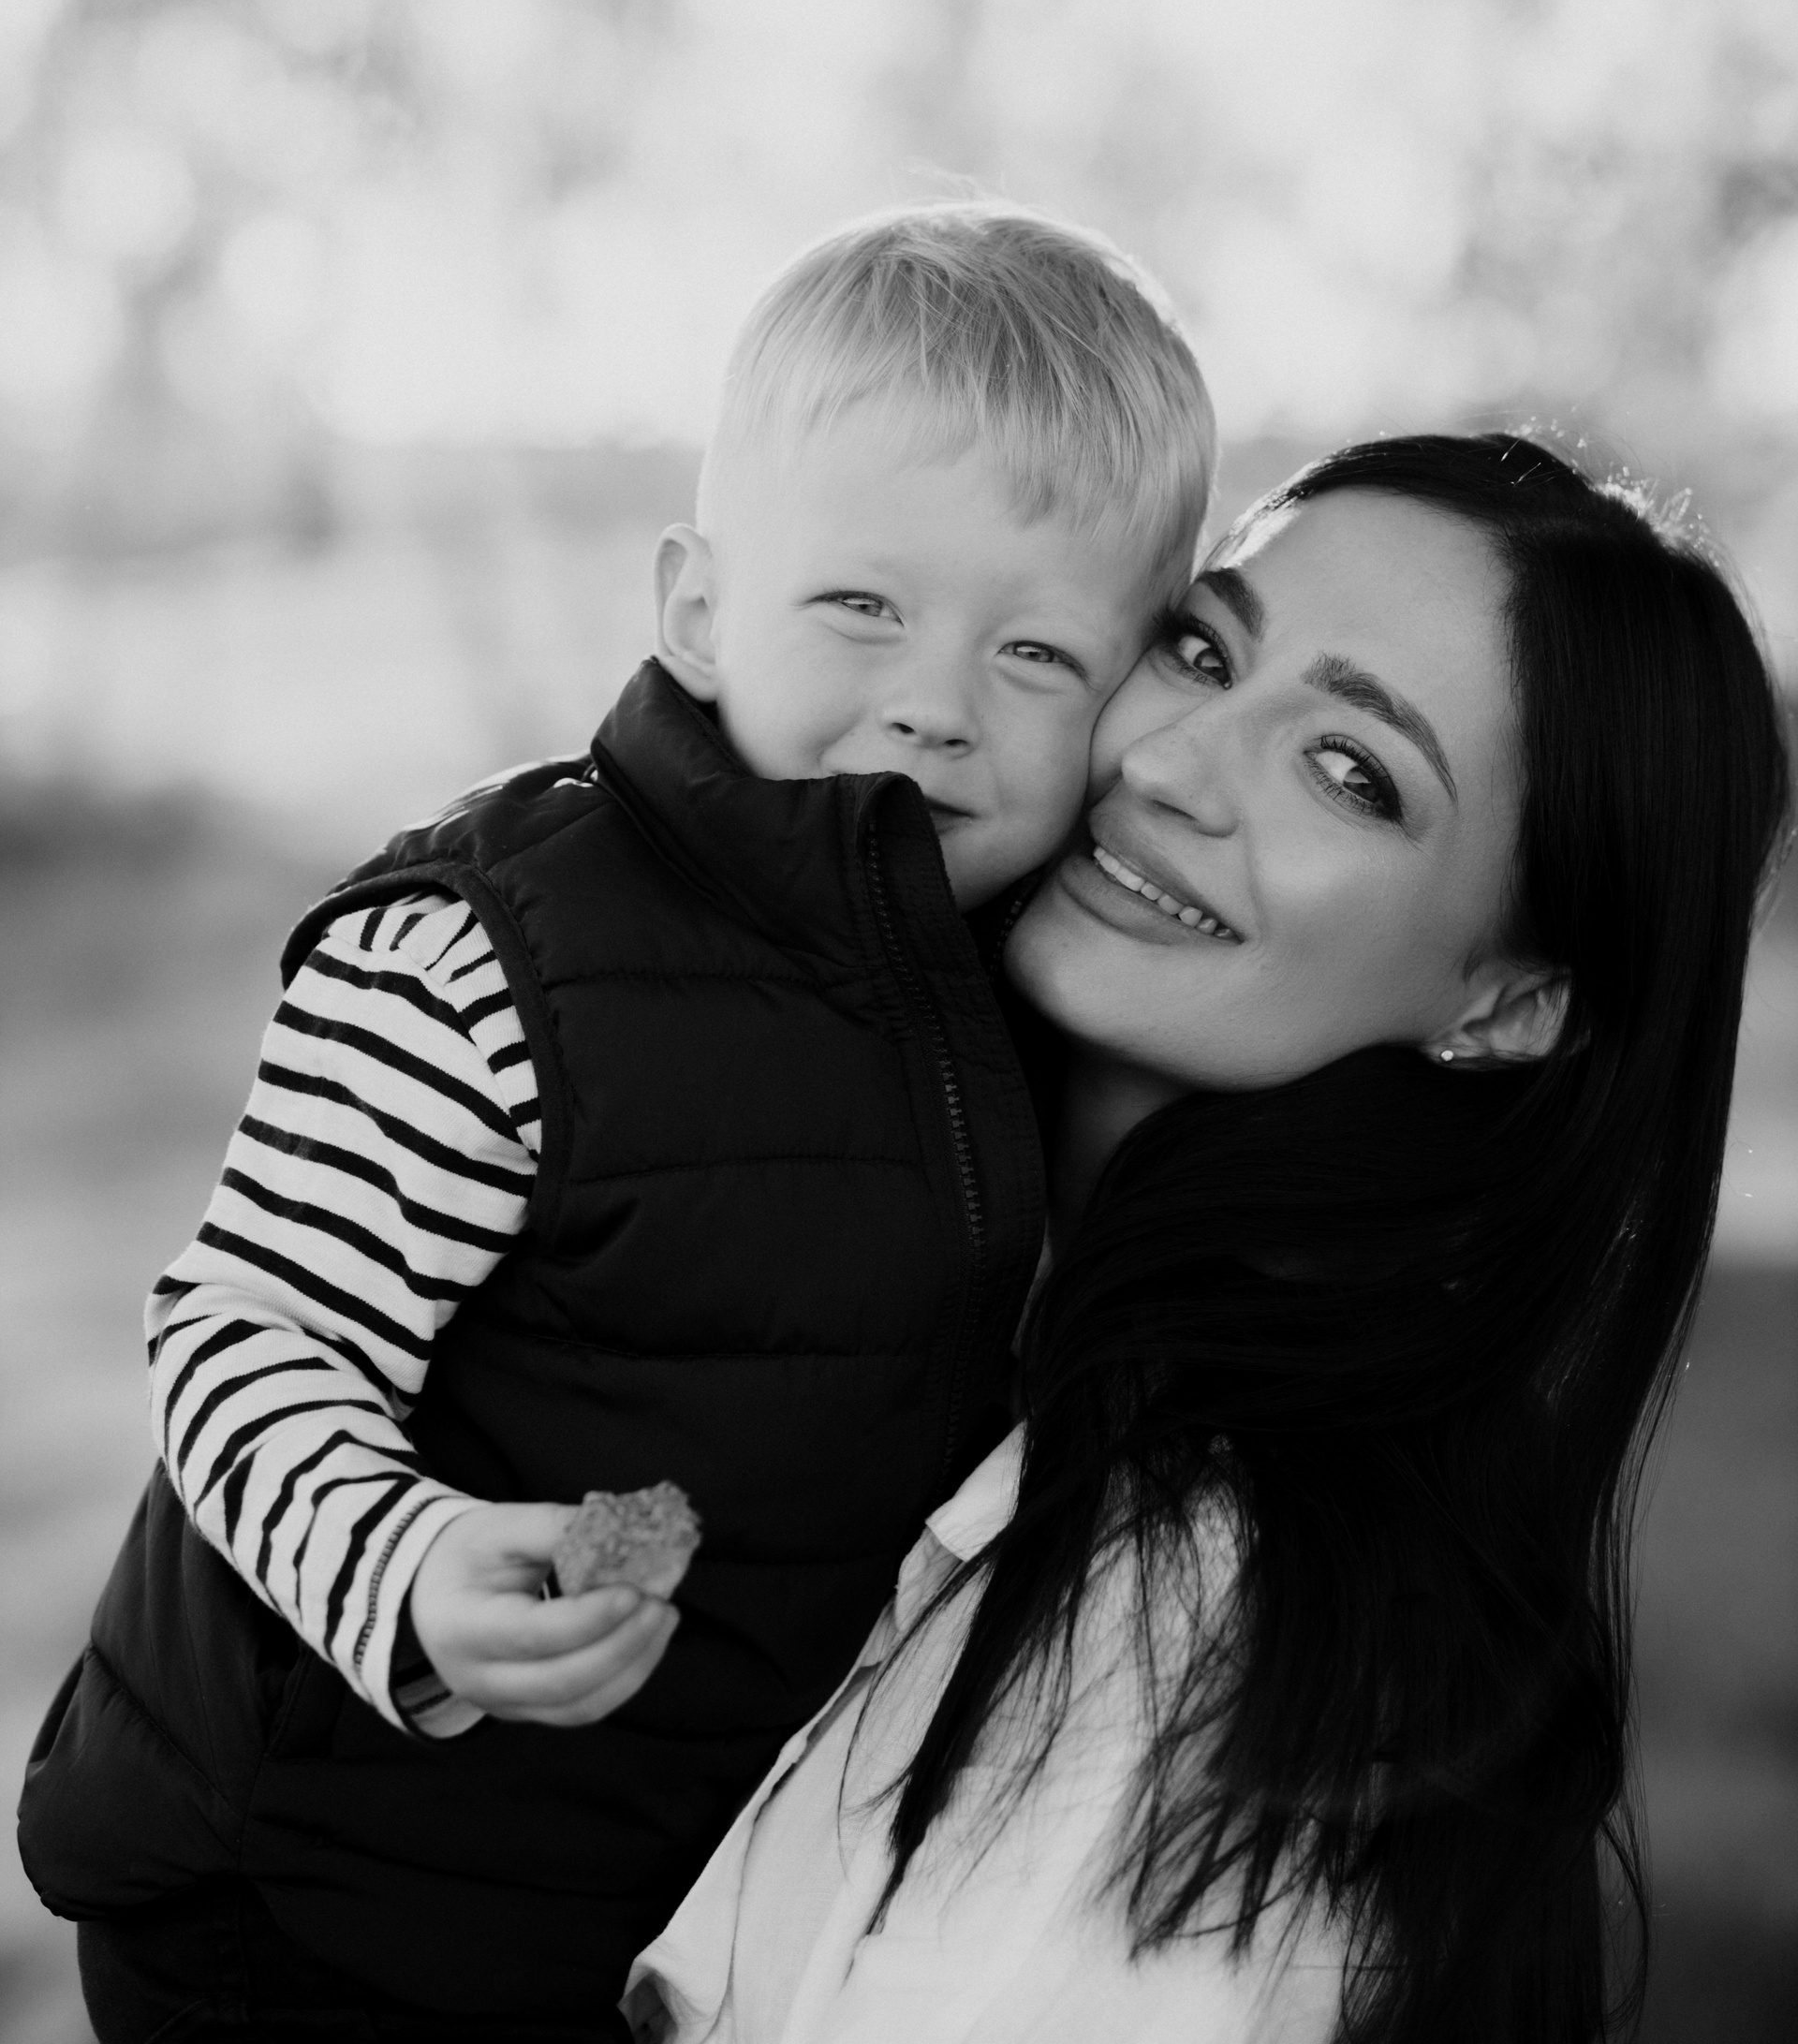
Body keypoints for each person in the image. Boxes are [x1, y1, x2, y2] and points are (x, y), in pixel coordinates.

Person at [17, 203, 1216, 2040]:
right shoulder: (493, 955)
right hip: (313, 1892)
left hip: (627, 1905)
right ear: (699, 612)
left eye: (1040, 656)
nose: (936, 706)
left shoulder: (1009, 997)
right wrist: (409, 1561)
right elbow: (241, 1334)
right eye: (865, 606)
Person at [629, 431, 1792, 2044]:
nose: (1171, 764)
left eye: (1351, 771)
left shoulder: (1193, 1608)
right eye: (1201, 649)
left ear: (1509, 1001)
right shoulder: (883, 1287)